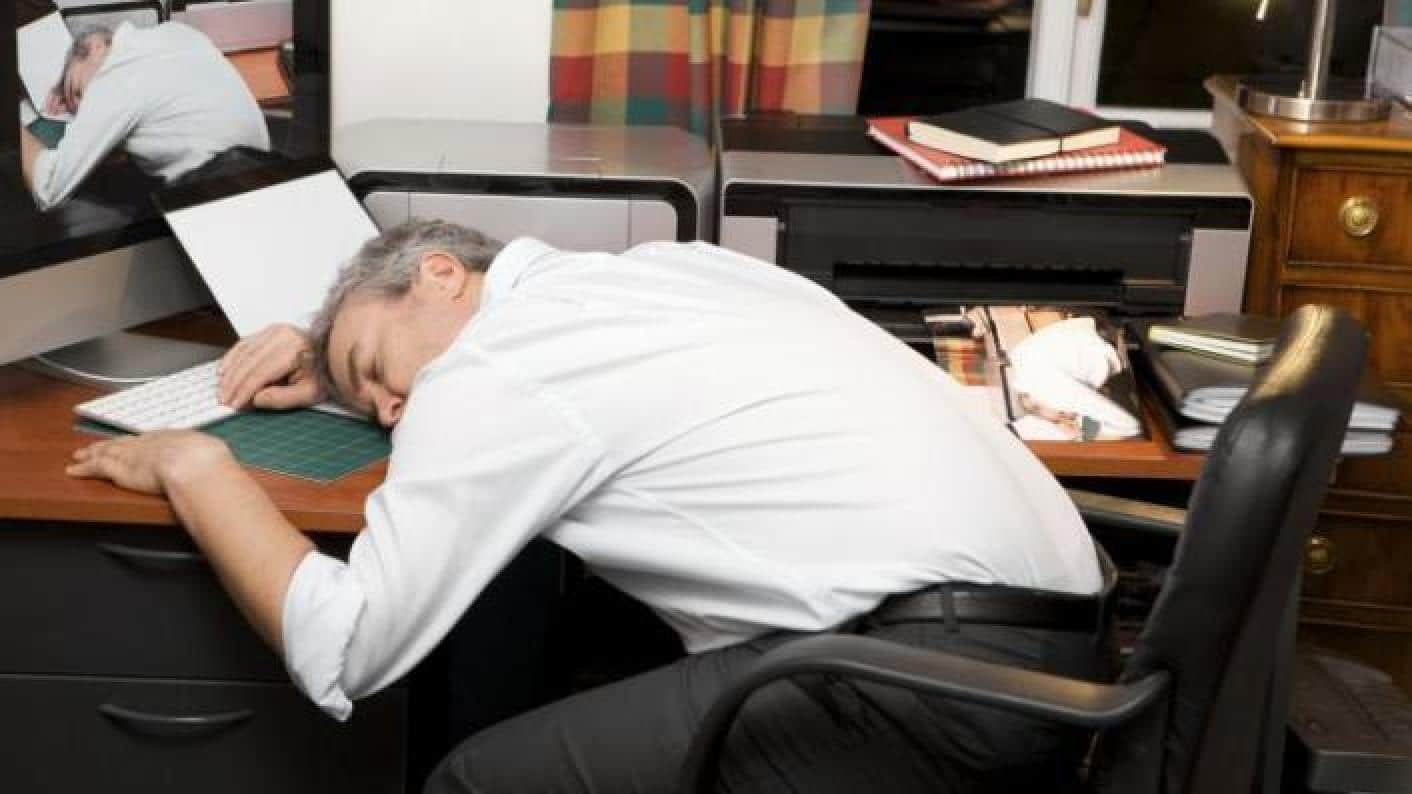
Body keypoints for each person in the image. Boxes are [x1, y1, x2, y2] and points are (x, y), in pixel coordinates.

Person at [68, 220, 1107, 793]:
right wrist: (340, 358)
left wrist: (198, 467)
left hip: (923, 690)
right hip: (1063, 657)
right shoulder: (669, 273)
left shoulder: (492, 365)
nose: (390, 412)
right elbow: (505, 389)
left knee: (473, 781)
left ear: (440, 273)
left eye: (376, 369)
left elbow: (345, 648)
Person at [19, 21, 270, 211]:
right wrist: (70, 87)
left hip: (217, 192)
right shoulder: (177, 32)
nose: (86, 109)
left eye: (78, 92)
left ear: (96, 46)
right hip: (269, 174)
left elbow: (48, 187)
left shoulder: (112, 77)